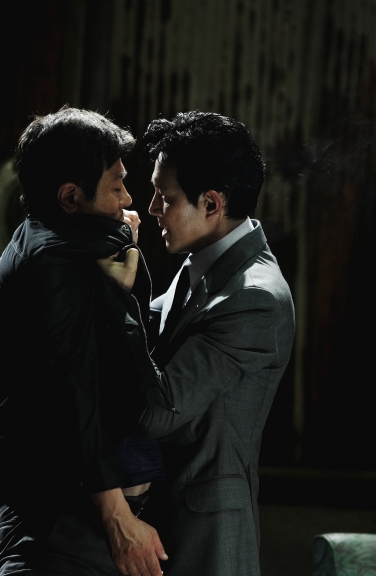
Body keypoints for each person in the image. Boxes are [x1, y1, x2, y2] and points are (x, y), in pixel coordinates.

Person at [98, 110, 296, 576]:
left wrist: (116, 296)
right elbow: (145, 338)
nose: (152, 208)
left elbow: (156, 410)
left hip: (205, 539)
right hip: (159, 524)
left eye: (165, 197)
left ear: (211, 203)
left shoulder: (253, 298)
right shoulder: (202, 263)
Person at [0, 107, 171, 576]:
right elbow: (74, 390)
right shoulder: (54, 264)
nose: (129, 200)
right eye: (117, 187)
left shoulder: (54, 241)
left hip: (68, 515)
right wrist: (117, 516)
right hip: (65, 524)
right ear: (71, 197)